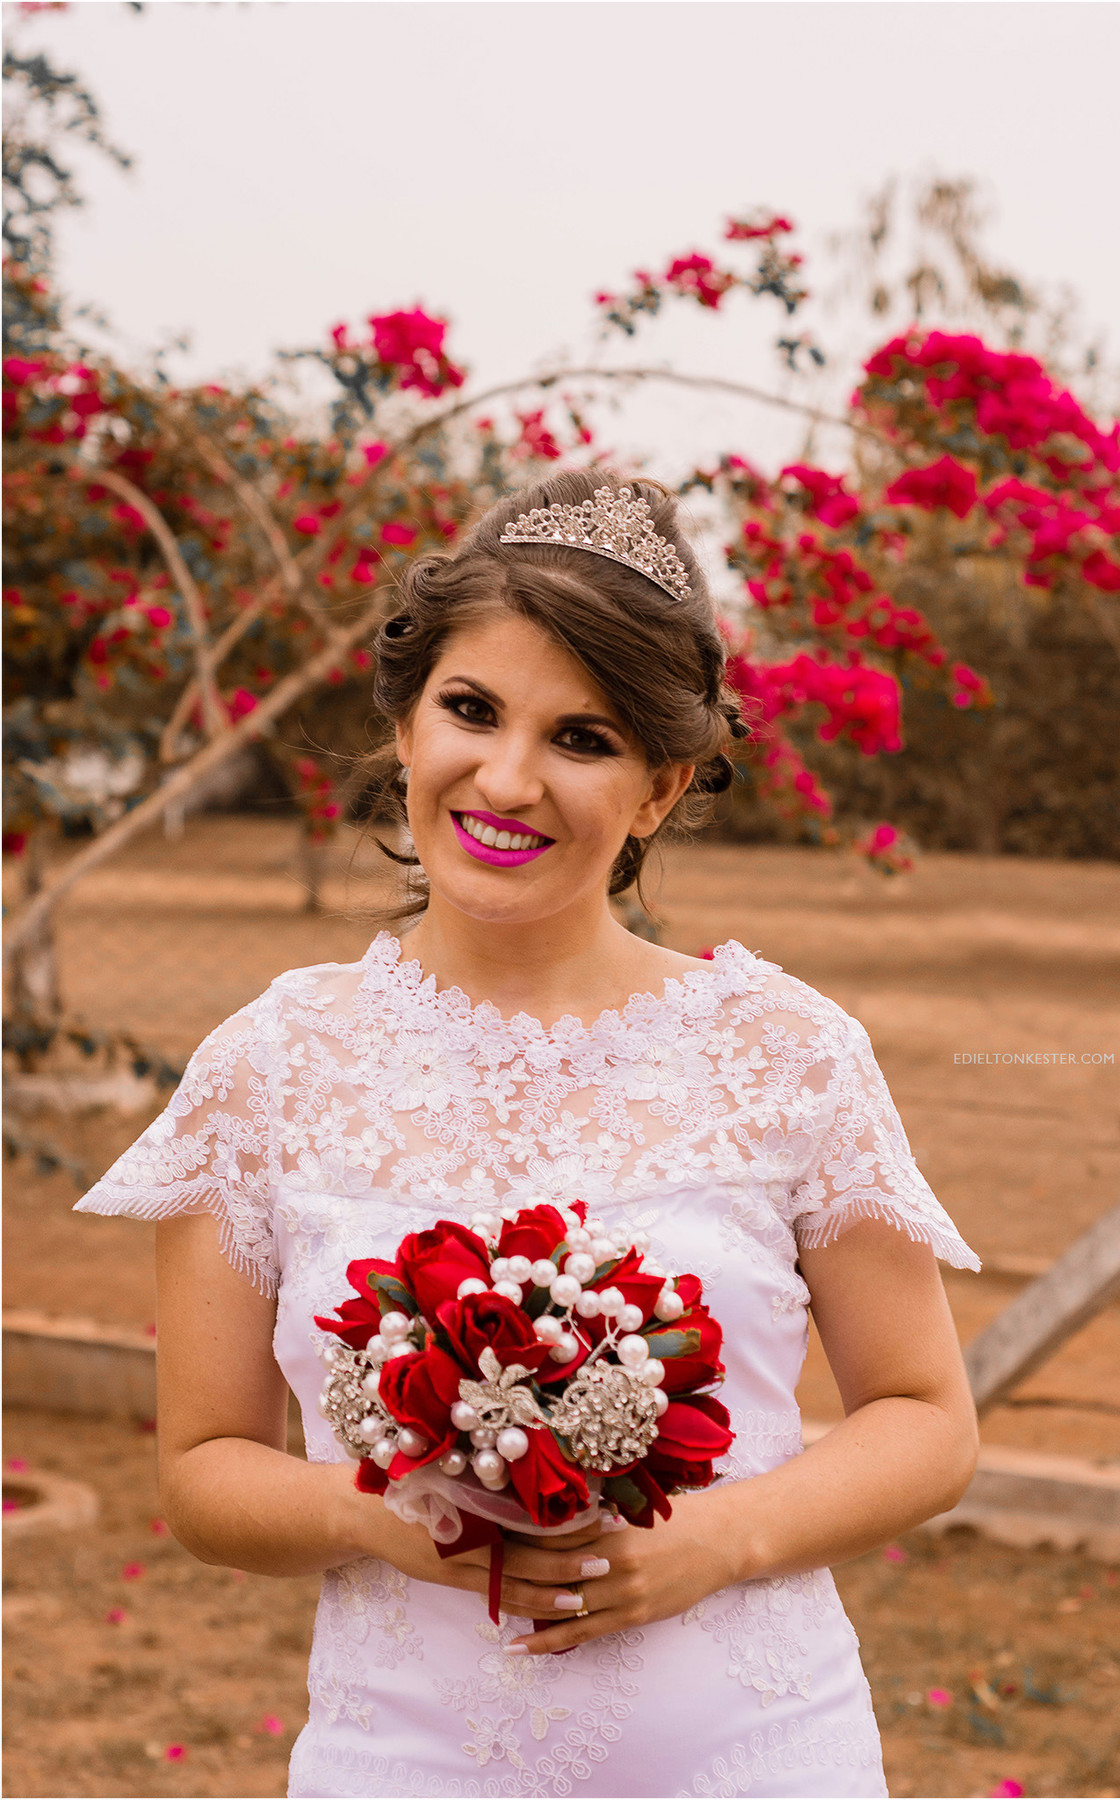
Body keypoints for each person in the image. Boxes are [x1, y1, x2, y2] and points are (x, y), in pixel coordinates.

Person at [76, 469, 981, 1799]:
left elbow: (927, 1422)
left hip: (756, 1760)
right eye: (471, 709)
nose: (507, 778)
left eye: (585, 738)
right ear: (403, 722)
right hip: (404, 1764)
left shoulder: (785, 1052)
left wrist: (708, 1545)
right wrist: (385, 1515)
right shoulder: (272, 1066)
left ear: (662, 790)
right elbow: (208, 1469)